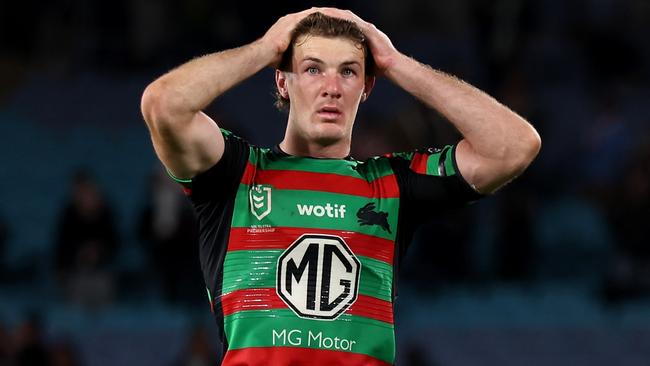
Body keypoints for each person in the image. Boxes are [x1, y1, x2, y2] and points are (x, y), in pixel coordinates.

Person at [140, 8, 541, 366]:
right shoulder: (237, 174)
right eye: (313, 69)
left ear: (366, 87)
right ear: (283, 82)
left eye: (348, 71)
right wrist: (265, 48)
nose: (332, 86)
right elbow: (163, 105)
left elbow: (512, 147)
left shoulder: (393, 185)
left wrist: (397, 64)